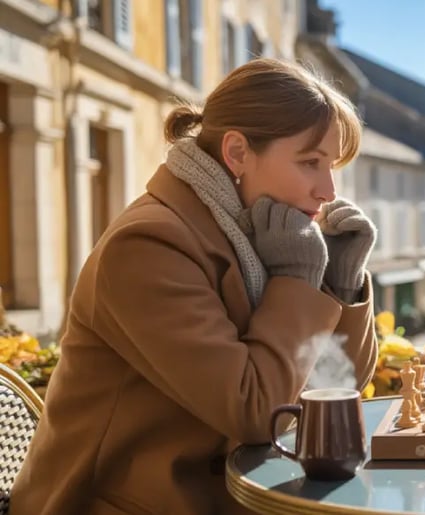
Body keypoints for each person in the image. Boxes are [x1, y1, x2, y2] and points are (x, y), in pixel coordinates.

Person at [11, 59, 379, 514]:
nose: (327, 190)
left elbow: (337, 389)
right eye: (310, 163)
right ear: (238, 153)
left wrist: (338, 285)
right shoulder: (148, 246)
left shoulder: (259, 232)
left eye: (332, 167)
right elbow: (255, 413)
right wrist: (296, 278)